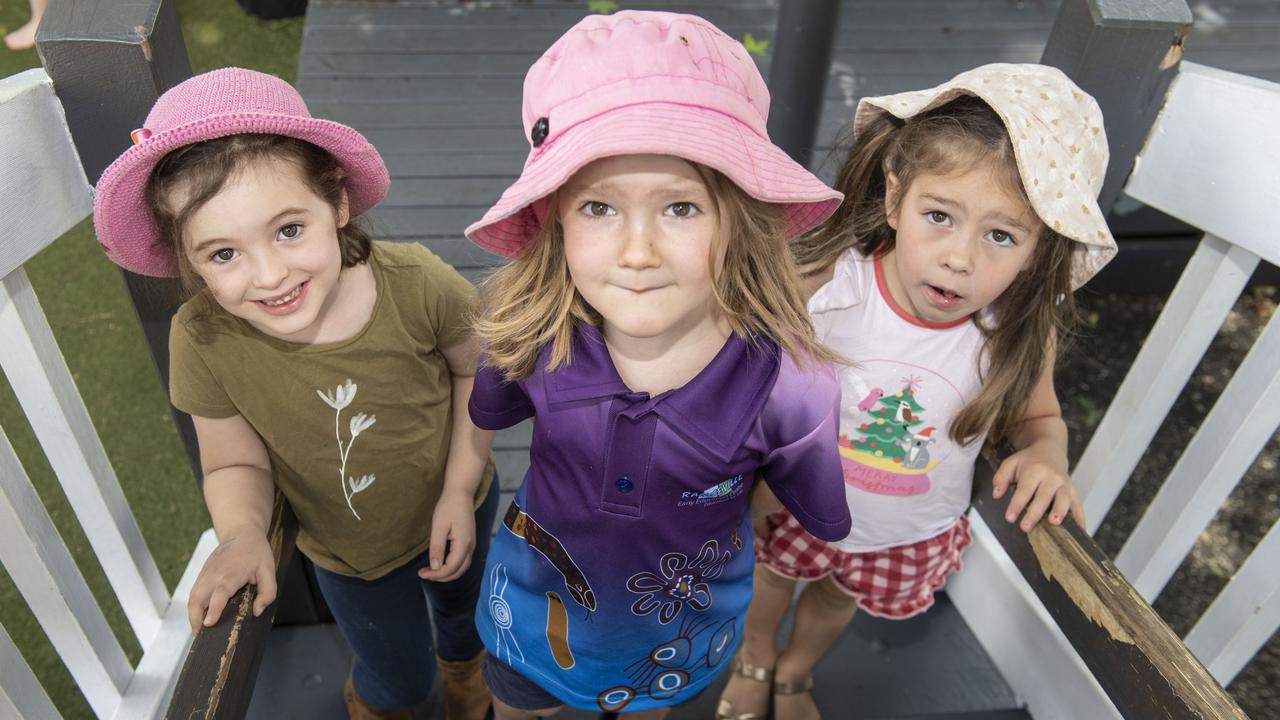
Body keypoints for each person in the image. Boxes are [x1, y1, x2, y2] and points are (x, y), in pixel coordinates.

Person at [462, 11, 853, 719]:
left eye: (679, 207)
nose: (638, 251)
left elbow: (804, 510)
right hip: (527, 620)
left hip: (677, 648)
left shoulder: (792, 385)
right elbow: (482, 418)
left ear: (741, 216)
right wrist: (459, 491)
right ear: (554, 221)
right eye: (599, 208)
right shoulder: (529, 331)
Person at [92, 67, 498, 720]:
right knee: (396, 681)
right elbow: (234, 461)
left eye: (288, 230)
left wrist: (458, 487)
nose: (271, 275)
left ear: (335, 202)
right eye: (223, 254)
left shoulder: (419, 284)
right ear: (186, 258)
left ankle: (469, 684)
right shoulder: (201, 339)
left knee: (467, 620)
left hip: (461, 499)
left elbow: (475, 372)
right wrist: (245, 532)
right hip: (348, 555)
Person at [716, 63, 1118, 720]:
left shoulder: (1012, 331)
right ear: (897, 197)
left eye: (1001, 235)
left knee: (834, 599)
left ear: (1038, 249)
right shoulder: (829, 286)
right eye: (940, 215)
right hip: (791, 501)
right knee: (771, 579)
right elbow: (738, 363)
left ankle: (795, 672)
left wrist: (1047, 453)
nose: (960, 258)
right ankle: (756, 657)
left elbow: (1040, 416)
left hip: (902, 530)